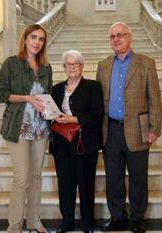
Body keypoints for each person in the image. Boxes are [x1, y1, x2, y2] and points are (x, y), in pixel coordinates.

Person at [96, 22, 162, 233]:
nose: (116, 39)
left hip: (139, 130)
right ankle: (117, 217)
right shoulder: (103, 65)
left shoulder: (146, 63)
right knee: (113, 178)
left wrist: (155, 128)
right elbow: (99, 101)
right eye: (112, 36)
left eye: (120, 35)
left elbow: (155, 99)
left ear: (130, 37)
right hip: (111, 131)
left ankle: (137, 218)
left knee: (138, 177)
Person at [0, 24, 52, 233]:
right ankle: (14, 226)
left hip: (40, 128)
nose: (37, 42)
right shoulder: (12, 64)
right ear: (25, 39)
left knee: (36, 175)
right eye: (34, 37)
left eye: (41, 39)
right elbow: (0, 94)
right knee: (22, 177)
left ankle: (34, 220)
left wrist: (51, 110)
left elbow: (48, 95)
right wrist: (26, 98)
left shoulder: (46, 68)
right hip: (18, 127)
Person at [49, 49, 103, 233]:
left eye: (76, 64)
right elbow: (52, 115)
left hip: (84, 142)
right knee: (65, 183)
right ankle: (67, 221)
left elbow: (97, 114)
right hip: (61, 143)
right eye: (68, 64)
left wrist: (73, 119)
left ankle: (88, 223)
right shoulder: (56, 89)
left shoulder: (93, 87)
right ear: (63, 67)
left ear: (82, 66)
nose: (72, 67)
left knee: (86, 183)